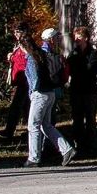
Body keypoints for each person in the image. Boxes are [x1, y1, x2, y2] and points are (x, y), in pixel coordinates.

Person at [21, 35, 76, 167]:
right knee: (46, 125)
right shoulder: (43, 54)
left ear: (24, 47)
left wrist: (33, 92)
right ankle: (67, 150)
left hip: (40, 94)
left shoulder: (31, 57)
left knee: (33, 125)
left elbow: (34, 79)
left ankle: (34, 157)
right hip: (50, 92)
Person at [67, 26, 97, 157]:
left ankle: (91, 146)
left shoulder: (93, 53)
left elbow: (91, 69)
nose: (76, 39)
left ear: (86, 38)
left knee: (90, 119)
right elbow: (70, 68)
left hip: (89, 91)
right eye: (75, 36)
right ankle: (78, 145)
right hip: (76, 90)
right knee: (77, 119)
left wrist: (79, 68)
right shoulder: (73, 53)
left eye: (79, 36)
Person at [0, 22, 31, 139]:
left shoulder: (26, 44)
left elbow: (26, 60)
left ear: (24, 31)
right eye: (15, 31)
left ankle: (9, 131)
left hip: (24, 80)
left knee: (16, 106)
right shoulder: (19, 44)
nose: (16, 34)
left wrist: (12, 57)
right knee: (26, 106)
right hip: (20, 80)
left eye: (18, 31)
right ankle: (30, 130)